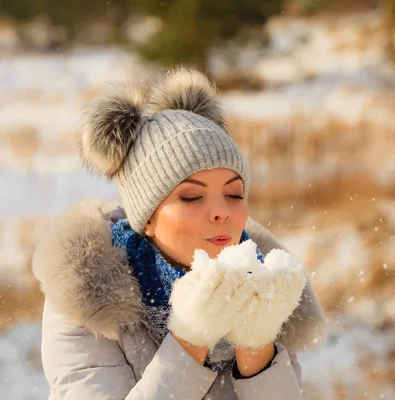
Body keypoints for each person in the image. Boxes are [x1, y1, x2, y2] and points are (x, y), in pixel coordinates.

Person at [32, 67, 326, 400]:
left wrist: (256, 348)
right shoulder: (88, 301)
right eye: (190, 196)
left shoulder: (261, 287)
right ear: (147, 218)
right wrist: (191, 339)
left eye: (233, 193)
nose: (222, 212)